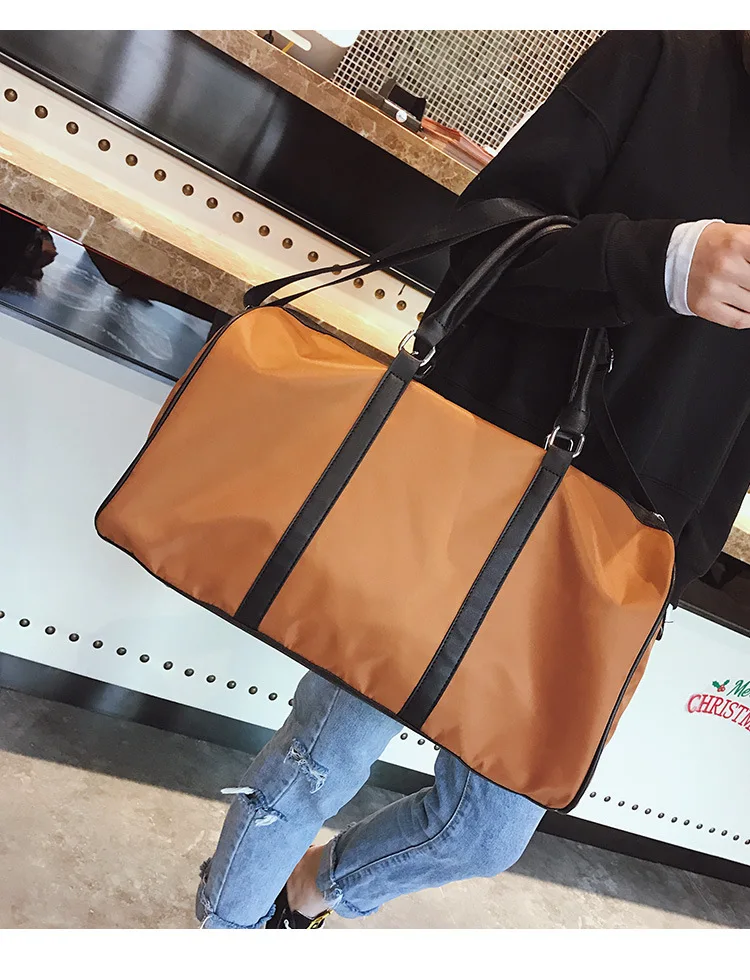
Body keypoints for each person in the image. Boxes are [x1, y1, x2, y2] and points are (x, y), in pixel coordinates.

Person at [196, 30, 750, 928]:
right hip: (473, 481)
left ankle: (308, 892)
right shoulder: (667, 51)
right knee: (320, 761)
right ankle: (224, 928)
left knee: (488, 829)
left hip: (611, 562)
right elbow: (484, 239)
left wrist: (667, 584)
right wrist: (659, 262)